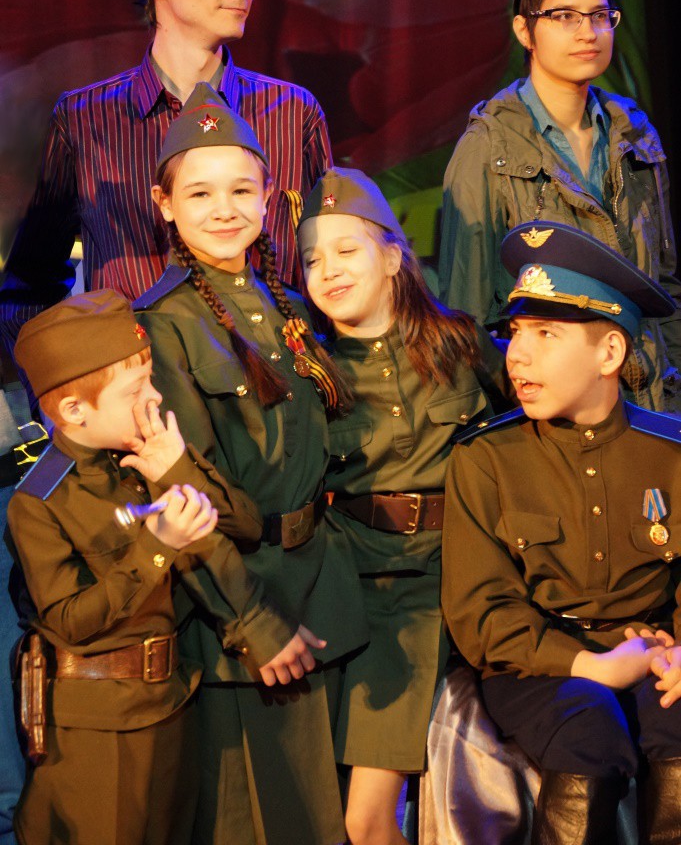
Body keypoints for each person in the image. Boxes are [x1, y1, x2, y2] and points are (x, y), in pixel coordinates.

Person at [133, 83, 368, 845]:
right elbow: (180, 492)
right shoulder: (162, 324)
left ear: (269, 197)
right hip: (244, 613)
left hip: (325, 596)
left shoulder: (286, 304)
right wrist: (250, 623)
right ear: (164, 204)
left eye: (241, 189)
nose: (224, 208)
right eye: (199, 193)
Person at [0, 0, 332, 359]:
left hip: (282, 386)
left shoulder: (292, 112)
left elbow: (332, 264)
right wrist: (60, 392)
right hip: (148, 391)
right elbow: (31, 285)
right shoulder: (84, 120)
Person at [441, 220, 681, 843]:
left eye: (546, 334)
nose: (517, 355)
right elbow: (481, 612)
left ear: (610, 353)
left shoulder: (671, 453)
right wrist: (591, 667)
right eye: (516, 332)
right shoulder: (485, 459)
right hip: (537, 663)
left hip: (655, 646)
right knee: (588, 730)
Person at [5, 288, 265, 845]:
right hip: (99, 724)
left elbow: (247, 527)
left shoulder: (145, 454)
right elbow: (69, 621)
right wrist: (157, 545)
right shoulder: (40, 500)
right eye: (135, 389)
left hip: (172, 701)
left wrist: (176, 468)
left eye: (151, 379)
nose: (154, 397)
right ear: (74, 411)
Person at [296, 167, 506, 845]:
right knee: (341, 816)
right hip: (350, 590)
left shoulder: (459, 344)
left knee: (369, 818)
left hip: (445, 582)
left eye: (345, 250)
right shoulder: (311, 374)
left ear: (392, 257)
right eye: (311, 260)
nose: (327, 270)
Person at [439, 0, 681, 413]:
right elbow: (467, 319)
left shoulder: (636, 136)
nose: (588, 32)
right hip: (550, 416)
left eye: (600, 15)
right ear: (524, 30)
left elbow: (666, 288)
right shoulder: (486, 148)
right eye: (564, 16)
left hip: (649, 409)